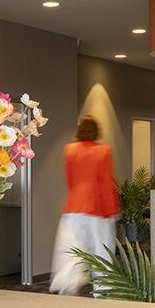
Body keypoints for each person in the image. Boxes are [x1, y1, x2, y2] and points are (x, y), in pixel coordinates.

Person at [50, 115, 118, 295]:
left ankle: (67, 286)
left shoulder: (69, 150)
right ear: (96, 131)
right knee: (101, 250)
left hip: (73, 206)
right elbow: (105, 183)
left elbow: (70, 180)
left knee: (72, 249)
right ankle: (103, 290)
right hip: (97, 208)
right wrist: (112, 210)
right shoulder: (103, 151)